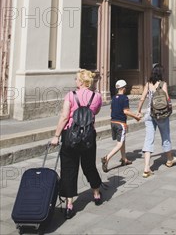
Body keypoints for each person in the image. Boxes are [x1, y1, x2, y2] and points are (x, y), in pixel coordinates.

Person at [51, 69, 102, 219]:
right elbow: (95, 112)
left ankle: (69, 204)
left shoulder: (70, 95)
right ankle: (97, 194)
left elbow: (64, 116)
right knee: (89, 165)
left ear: (81, 81)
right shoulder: (97, 96)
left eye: (76, 79)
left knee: (68, 168)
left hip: (70, 136)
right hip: (88, 135)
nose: (75, 81)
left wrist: (56, 136)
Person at [136, 64, 176, 177]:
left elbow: (142, 98)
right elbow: (167, 99)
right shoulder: (163, 84)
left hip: (149, 114)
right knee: (165, 135)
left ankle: (146, 167)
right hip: (161, 115)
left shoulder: (148, 84)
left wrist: (138, 111)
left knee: (149, 139)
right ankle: (169, 159)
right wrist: (170, 109)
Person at [101, 79, 142, 172]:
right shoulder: (125, 98)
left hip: (113, 122)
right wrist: (136, 117)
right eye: (126, 87)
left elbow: (111, 110)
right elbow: (126, 111)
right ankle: (106, 158)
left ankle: (124, 159)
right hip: (120, 123)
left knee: (122, 141)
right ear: (123, 88)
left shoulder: (114, 98)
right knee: (119, 144)